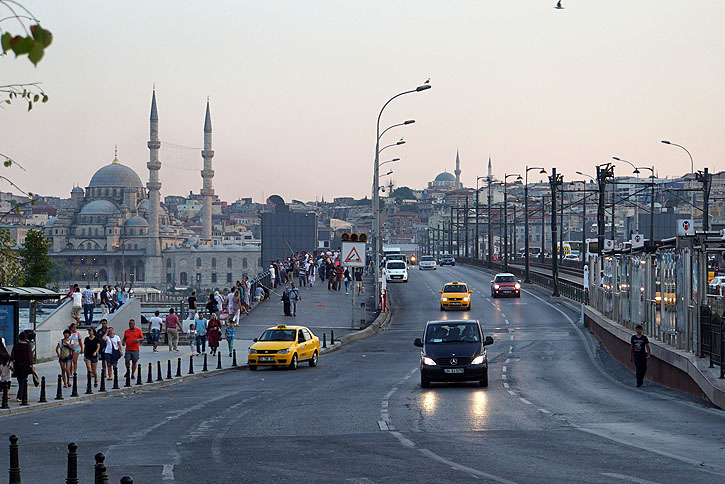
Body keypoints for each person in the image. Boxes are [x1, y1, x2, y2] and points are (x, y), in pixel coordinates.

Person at [10, 331, 34, 402]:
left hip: (17, 365)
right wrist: (32, 365)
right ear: (25, 338)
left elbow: (12, 357)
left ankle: (22, 395)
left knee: (20, 380)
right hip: (25, 366)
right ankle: (20, 396)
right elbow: (30, 357)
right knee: (23, 380)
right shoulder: (27, 346)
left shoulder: (16, 346)